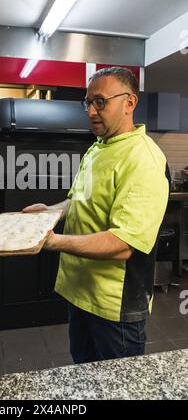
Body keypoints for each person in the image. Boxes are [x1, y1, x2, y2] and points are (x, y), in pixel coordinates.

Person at [23, 67, 170, 363]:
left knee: (117, 389)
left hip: (114, 306)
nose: (91, 111)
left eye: (100, 102)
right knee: (84, 378)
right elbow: (78, 201)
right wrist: (49, 212)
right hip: (80, 293)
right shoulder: (98, 148)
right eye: (88, 102)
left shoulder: (142, 158)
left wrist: (52, 241)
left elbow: (124, 243)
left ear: (129, 102)